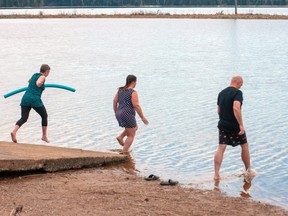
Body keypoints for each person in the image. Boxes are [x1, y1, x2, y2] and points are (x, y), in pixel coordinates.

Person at [214, 75, 255, 182]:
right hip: (234, 125)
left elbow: (218, 110)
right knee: (244, 146)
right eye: (241, 84)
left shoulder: (221, 93)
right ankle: (248, 171)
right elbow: (236, 108)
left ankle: (216, 174)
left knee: (221, 147)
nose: (241, 87)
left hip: (222, 124)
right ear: (238, 82)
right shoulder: (237, 93)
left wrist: (223, 119)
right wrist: (241, 125)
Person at [11, 64, 50, 143]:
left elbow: (29, 81)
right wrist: (40, 83)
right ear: (46, 72)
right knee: (44, 116)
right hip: (34, 99)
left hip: (25, 98)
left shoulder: (34, 75)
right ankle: (44, 136)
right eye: (48, 72)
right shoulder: (43, 77)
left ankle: (14, 132)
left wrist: (35, 84)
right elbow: (38, 83)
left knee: (24, 118)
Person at [113, 74, 149, 153]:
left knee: (135, 127)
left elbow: (115, 101)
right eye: (136, 82)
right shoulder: (133, 92)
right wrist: (143, 117)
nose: (136, 84)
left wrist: (116, 112)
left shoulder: (120, 90)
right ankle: (124, 152)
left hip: (119, 113)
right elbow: (136, 105)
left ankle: (120, 137)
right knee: (131, 135)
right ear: (133, 82)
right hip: (127, 114)